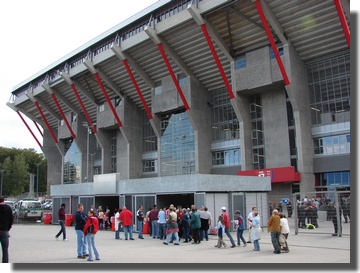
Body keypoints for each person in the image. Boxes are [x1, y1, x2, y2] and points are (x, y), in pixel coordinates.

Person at [0, 195, 13, 263]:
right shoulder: (8, 208)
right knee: (5, 250)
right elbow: (11, 220)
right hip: (4, 231)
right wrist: (8, 228)